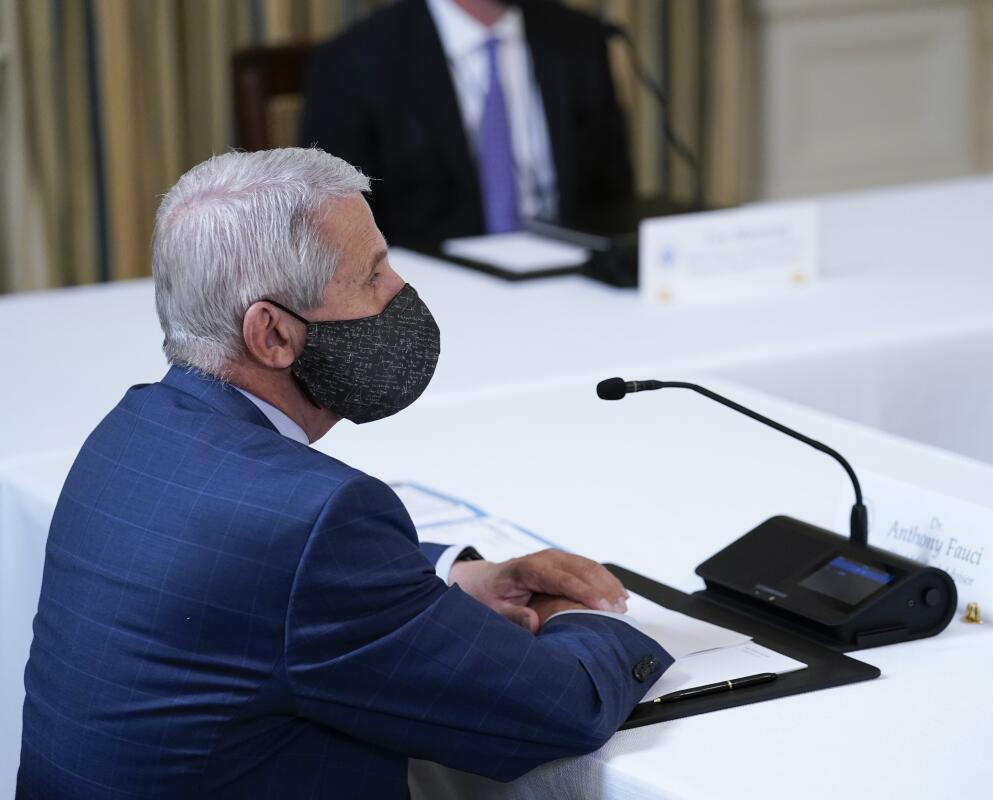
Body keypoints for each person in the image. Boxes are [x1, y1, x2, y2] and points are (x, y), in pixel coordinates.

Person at [18, 148, 669, 798]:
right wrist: (589, 616)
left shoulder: (130, 433)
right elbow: (557, 709)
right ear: (271, 334)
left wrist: (453, 577)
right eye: (372, 274)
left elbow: (246, 567)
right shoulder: (318, 522)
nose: (399, 294)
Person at [300, 0, 634, 245]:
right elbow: (334, 226)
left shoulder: (579, 39)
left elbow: (614, 195)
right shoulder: (354, 61)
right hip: (433, 294)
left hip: (570, 278)